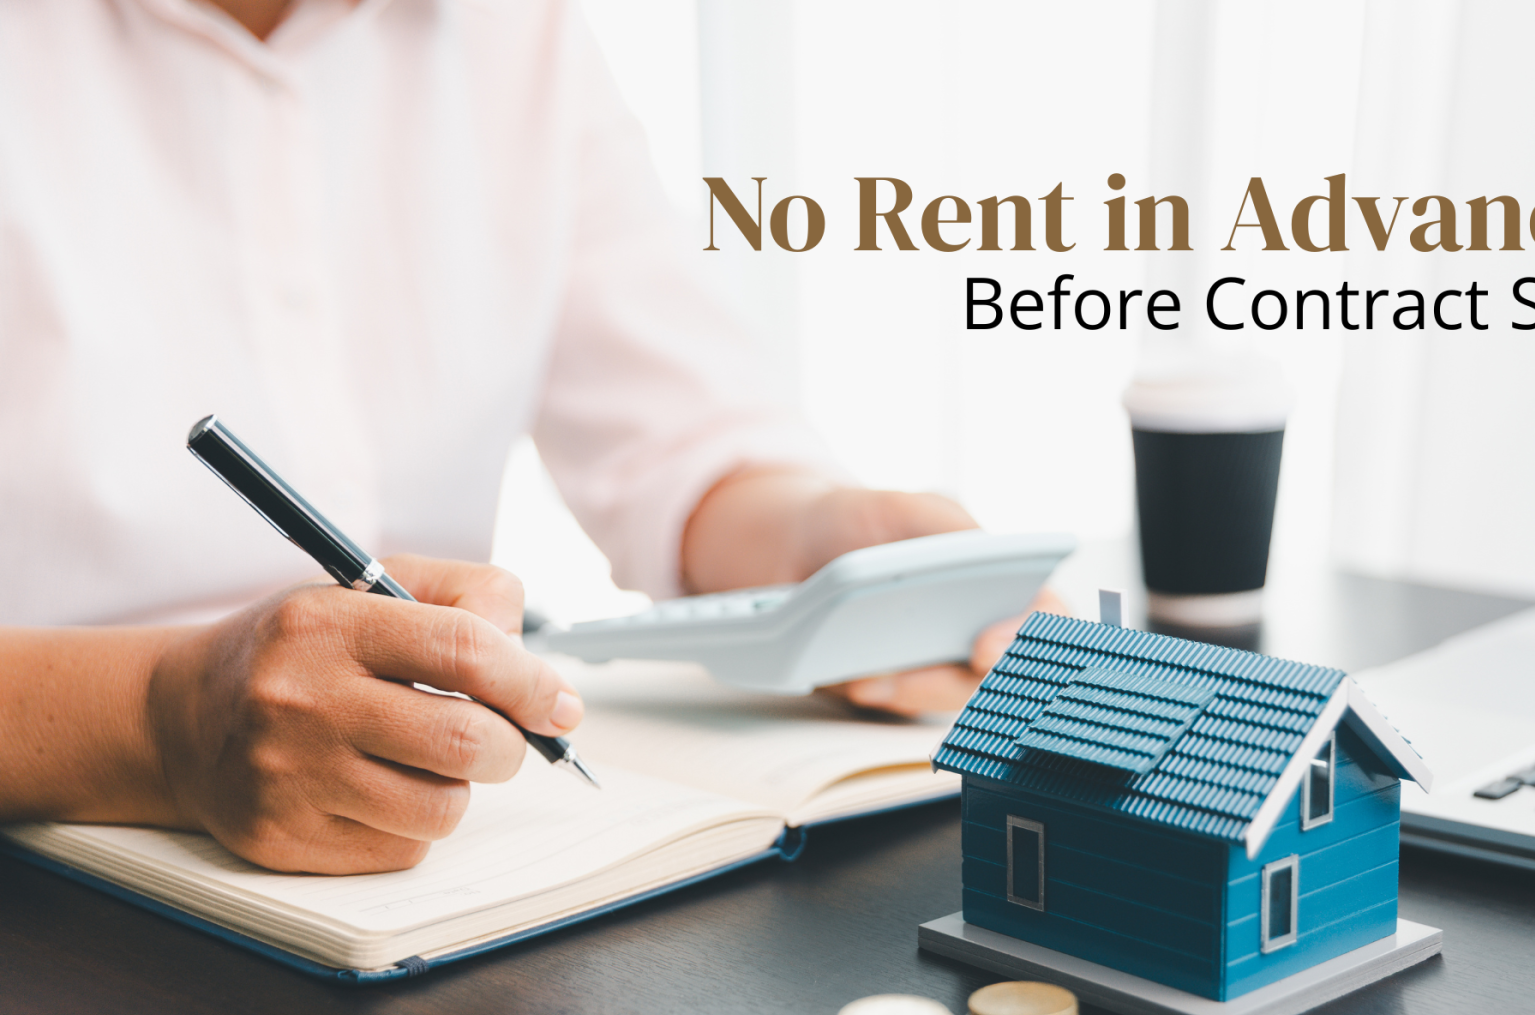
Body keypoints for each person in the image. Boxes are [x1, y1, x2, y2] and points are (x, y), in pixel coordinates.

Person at [0, 0, 1058, 874]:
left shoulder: (519, 29)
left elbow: (680, 438)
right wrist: (159, 721)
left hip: (415, 855)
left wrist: (824, 549)